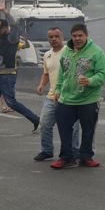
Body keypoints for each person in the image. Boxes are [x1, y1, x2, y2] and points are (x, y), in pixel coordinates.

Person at [52, 23, 105, 169]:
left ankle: (86, 157)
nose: (77, 38)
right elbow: (61, 73)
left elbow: (103, 74)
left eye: (80, 35)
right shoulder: (66, 52)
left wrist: (90, 81)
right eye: (74, 36)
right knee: (64, 129)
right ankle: (66, 157)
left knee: (88, 130)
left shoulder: (96, 52)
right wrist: (57, 90)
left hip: (88, 99)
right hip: (67, 99)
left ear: (86, 36)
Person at [0, 19, 39, 136]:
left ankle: (36, 120)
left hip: (8, 76)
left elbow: (15, 28)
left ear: (6, 28)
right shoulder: (1, 41)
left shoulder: (12, 39)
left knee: (12, 103)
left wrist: (5, 11)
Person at [33, 27, 80, 162]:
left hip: (69, 96)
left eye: (56, 36)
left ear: (62, 37)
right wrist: (42, 85)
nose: (54, 39)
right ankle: (47, 150)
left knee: (73, 127)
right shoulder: (47, 55)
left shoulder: (70, 52)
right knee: (45, 123)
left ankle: (74, 152)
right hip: (52, 96)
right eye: (51, 37)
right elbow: (47, 73)